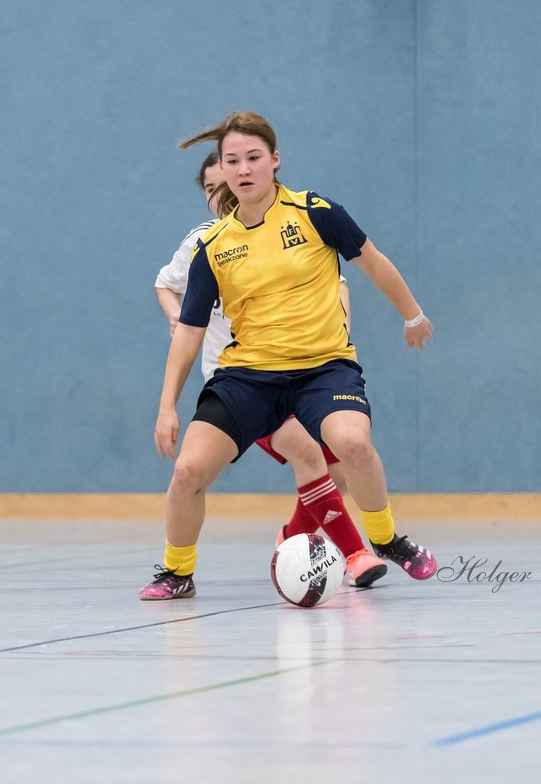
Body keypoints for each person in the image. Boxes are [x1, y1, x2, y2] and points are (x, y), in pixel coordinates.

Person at [140, 111, 437, 601]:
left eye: (253, 157)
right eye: (232, 161)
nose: (243, 169)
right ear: (224, 170)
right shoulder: (212, 247)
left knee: (353, 446)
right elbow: (190, 331)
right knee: (188, 470)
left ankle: (385, 539)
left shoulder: (316, 213)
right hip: (248, 377)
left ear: (274, 161)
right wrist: (167, 405)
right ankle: (177, 572)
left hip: (322, 368)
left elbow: (373, 261)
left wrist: (411, 314)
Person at [154, 152, 387, 589]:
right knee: (307, 453)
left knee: (337, 467)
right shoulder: (204, 243)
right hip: (242, 380)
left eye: (223, 181)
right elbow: (165, 284)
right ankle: (355, 553)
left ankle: (295, 537)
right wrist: (178, 319)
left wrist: (338, 342)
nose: (219, 193)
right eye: (209, 188)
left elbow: (338, 285)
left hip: (305, 371)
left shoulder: (289, 228)